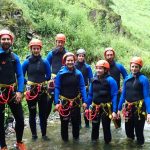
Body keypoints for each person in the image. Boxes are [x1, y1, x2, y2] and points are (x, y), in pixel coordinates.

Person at [0, 29, 26, 150]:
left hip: (12, 91)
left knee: (20, 119)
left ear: (11, 41)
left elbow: (20, 75)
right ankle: (3, 146)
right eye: (3, 39)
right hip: (0, 92)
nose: (6, 41)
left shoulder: (14, 57)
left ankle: (19, 142)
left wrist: (20, 91)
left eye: (8, 39)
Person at [54, 52, 88, 142]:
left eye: (71, 60)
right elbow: (57, 88)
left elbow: (82, 88)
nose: (70, 62)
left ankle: (76, 141)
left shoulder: (78, 74)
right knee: (64, 123)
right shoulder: (60, 74)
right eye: (68, 60)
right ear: (65, 62)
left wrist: (85, 101)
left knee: (75, 122)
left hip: (76, 102)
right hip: (64, 102)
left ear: (74, 61)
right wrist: (56, 102)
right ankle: (65, 142)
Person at [22, 39, 51, 141]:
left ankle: (44, 134)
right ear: (31, 49)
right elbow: (21, 75)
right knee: (32, 113)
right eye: (34, 48)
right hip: (31, 92)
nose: (36, 50)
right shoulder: (26, 62)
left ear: (40, 49)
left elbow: (48, 75)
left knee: (43, 113)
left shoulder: (45, 62)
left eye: (37, 48)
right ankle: (34, 135)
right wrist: (28, 83)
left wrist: (41, 83)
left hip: (42, 91)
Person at [117, 56, 150, 145]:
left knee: (139, 132)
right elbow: (123, 95)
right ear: (130, 67)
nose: (134, 69)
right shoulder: (127, 79)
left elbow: (147, 96)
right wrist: (118, 109)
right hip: (128, 108)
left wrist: (149, 112)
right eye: (132, 66)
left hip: (139, 109)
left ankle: (139, 146)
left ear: (140, 68)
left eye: (136, 67)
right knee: (128, 132)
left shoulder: (144, 79)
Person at [87, 60, 118, 144]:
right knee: (94, 126)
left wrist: (114, 111)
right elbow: (90, 94)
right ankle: (94, 143)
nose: (98, 70)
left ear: (106, 70)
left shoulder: (111, 80)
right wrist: (87, 107)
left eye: (100, 68)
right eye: (97, 68)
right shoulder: (93, 80)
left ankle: (107, 144)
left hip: (106, 108)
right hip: (95, 107)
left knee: (106, 127)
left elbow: (114, 96)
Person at [104, 47, 128, 128]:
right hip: (105, 95)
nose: (109, 56)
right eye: (108, 55)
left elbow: (127, 78)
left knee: (117, 113)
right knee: (105, 113)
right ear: (105, 56)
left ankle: (117, 130)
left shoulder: (119, 66)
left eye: (111, 55)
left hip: (117, 94)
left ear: (113, 55)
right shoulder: (102, 66)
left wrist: (123, 87)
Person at [46, 33, 67, 119]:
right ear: (56, 42)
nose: (60, 44)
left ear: (64, 43)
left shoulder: (66, 54)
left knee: (63, 99)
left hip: (64, 79)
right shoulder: (51, 54)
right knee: (49, 101)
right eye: (59, 42)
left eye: (62, 42)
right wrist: (47, 78)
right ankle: (44, 119)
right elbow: (46, 65)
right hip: (53, 80)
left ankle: (65, 118)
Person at [75, 48, 93, 128]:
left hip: (85, 89)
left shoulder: (87, 67)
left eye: (82, 56)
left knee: (86, 106)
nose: (81, 57)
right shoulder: (73, 66)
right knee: (77, 107)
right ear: (77, 57)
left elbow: (91, 79)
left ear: (84, 57)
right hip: (75, 89)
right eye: (79, 56)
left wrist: (91, 89)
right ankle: (78, 124)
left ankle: (87, 124)